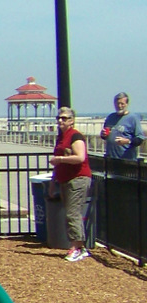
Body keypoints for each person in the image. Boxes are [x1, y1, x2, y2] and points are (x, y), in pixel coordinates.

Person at [50, 106, 92, 261]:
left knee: (72, 213)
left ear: (72, 120)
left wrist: (60, 159)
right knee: (70, 213)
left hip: (78, 179)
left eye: (65, 118)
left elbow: (80, 157)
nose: (61, 121)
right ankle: (78, 246)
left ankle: (77, 247)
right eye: (59, 118)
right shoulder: (61, 137)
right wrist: (53, 181)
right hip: (64, 179)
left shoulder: (75, 136)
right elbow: (57, 161)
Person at [100, 92, 142, 161]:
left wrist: (127, 141)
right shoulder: (110, 117)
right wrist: (103, 134)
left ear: (126, 104)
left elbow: (140, 139)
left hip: (127, 159)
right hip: (111, 158)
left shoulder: (133, 118)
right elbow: (104, 135)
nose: (119, 106)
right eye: (117, 104)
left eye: (122, 104)